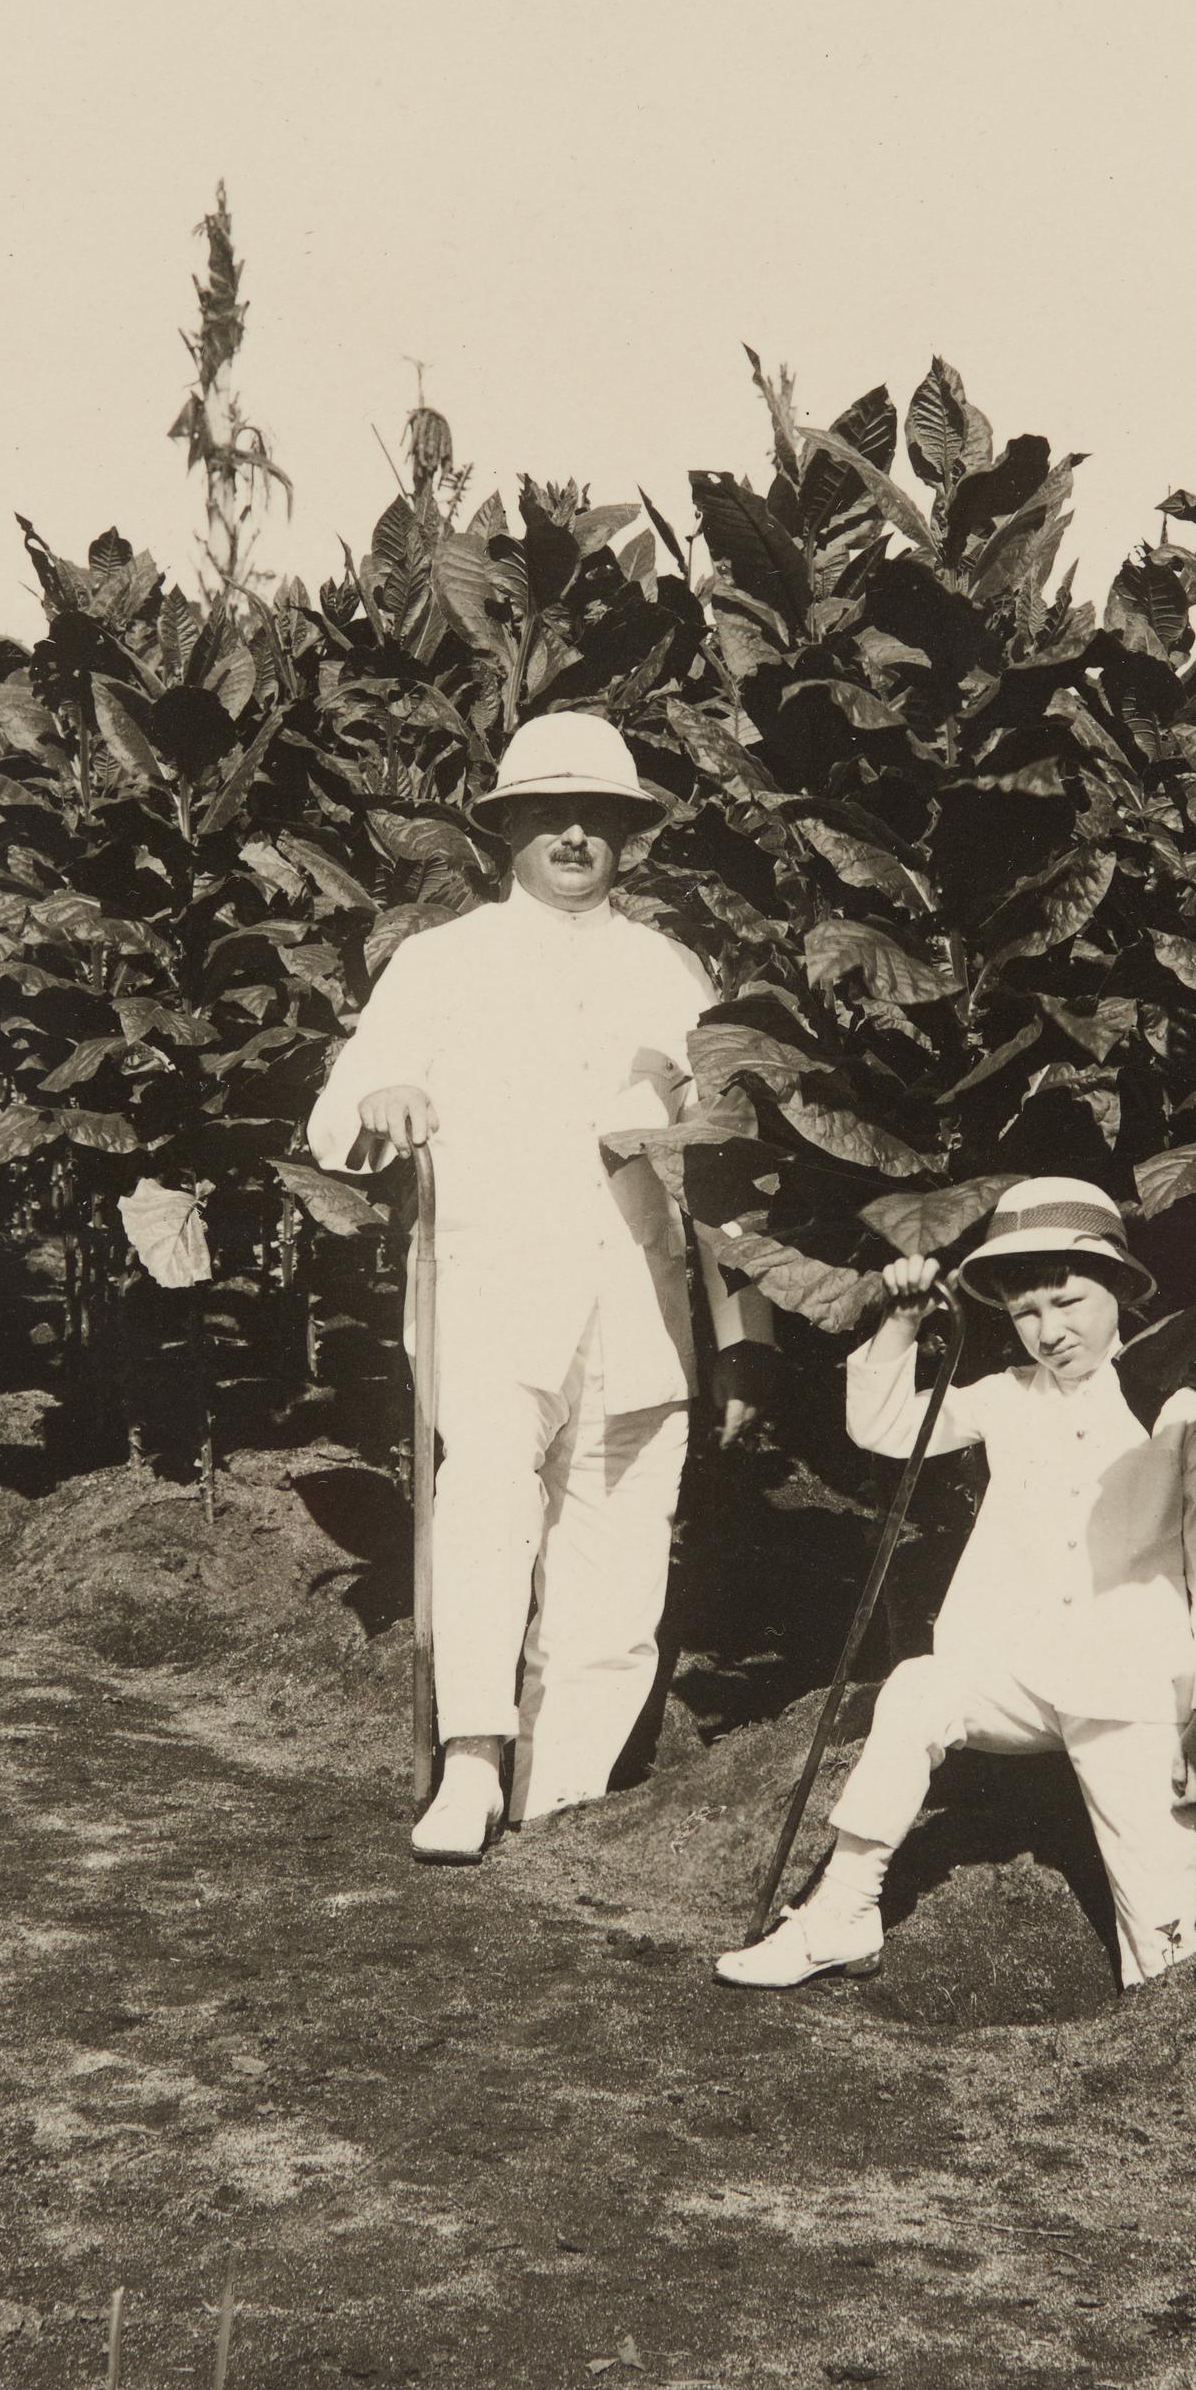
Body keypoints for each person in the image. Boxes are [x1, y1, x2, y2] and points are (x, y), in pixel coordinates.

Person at [306, 710, 774, 1861]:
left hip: (638, 1297)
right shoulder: (442, 960)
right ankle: (472, 1762)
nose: (575, 834)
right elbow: (340, 1109)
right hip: (492, 1284)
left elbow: (723, 1158)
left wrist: (740, 1329)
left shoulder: (672, 970)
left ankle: (567, 1791)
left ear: (628, 837)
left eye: (600, 817)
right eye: (549, 814)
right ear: (505, 827)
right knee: (485, 1512)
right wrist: (382, 1102)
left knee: (619, 1538)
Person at [715, 1175, 1196, 1992]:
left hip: (1131, 1690)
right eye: (1027, 1311)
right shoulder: (1004, 1397)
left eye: (1069, 1301)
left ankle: (1169, 2030)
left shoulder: (1175, 1413)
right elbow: (887, 1428)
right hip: (1015, 1670)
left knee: (1162, 1933)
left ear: (1117, 1289)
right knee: (918, 1690)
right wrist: (899, 1319)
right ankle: (843, 1911)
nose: (1049, 1330)